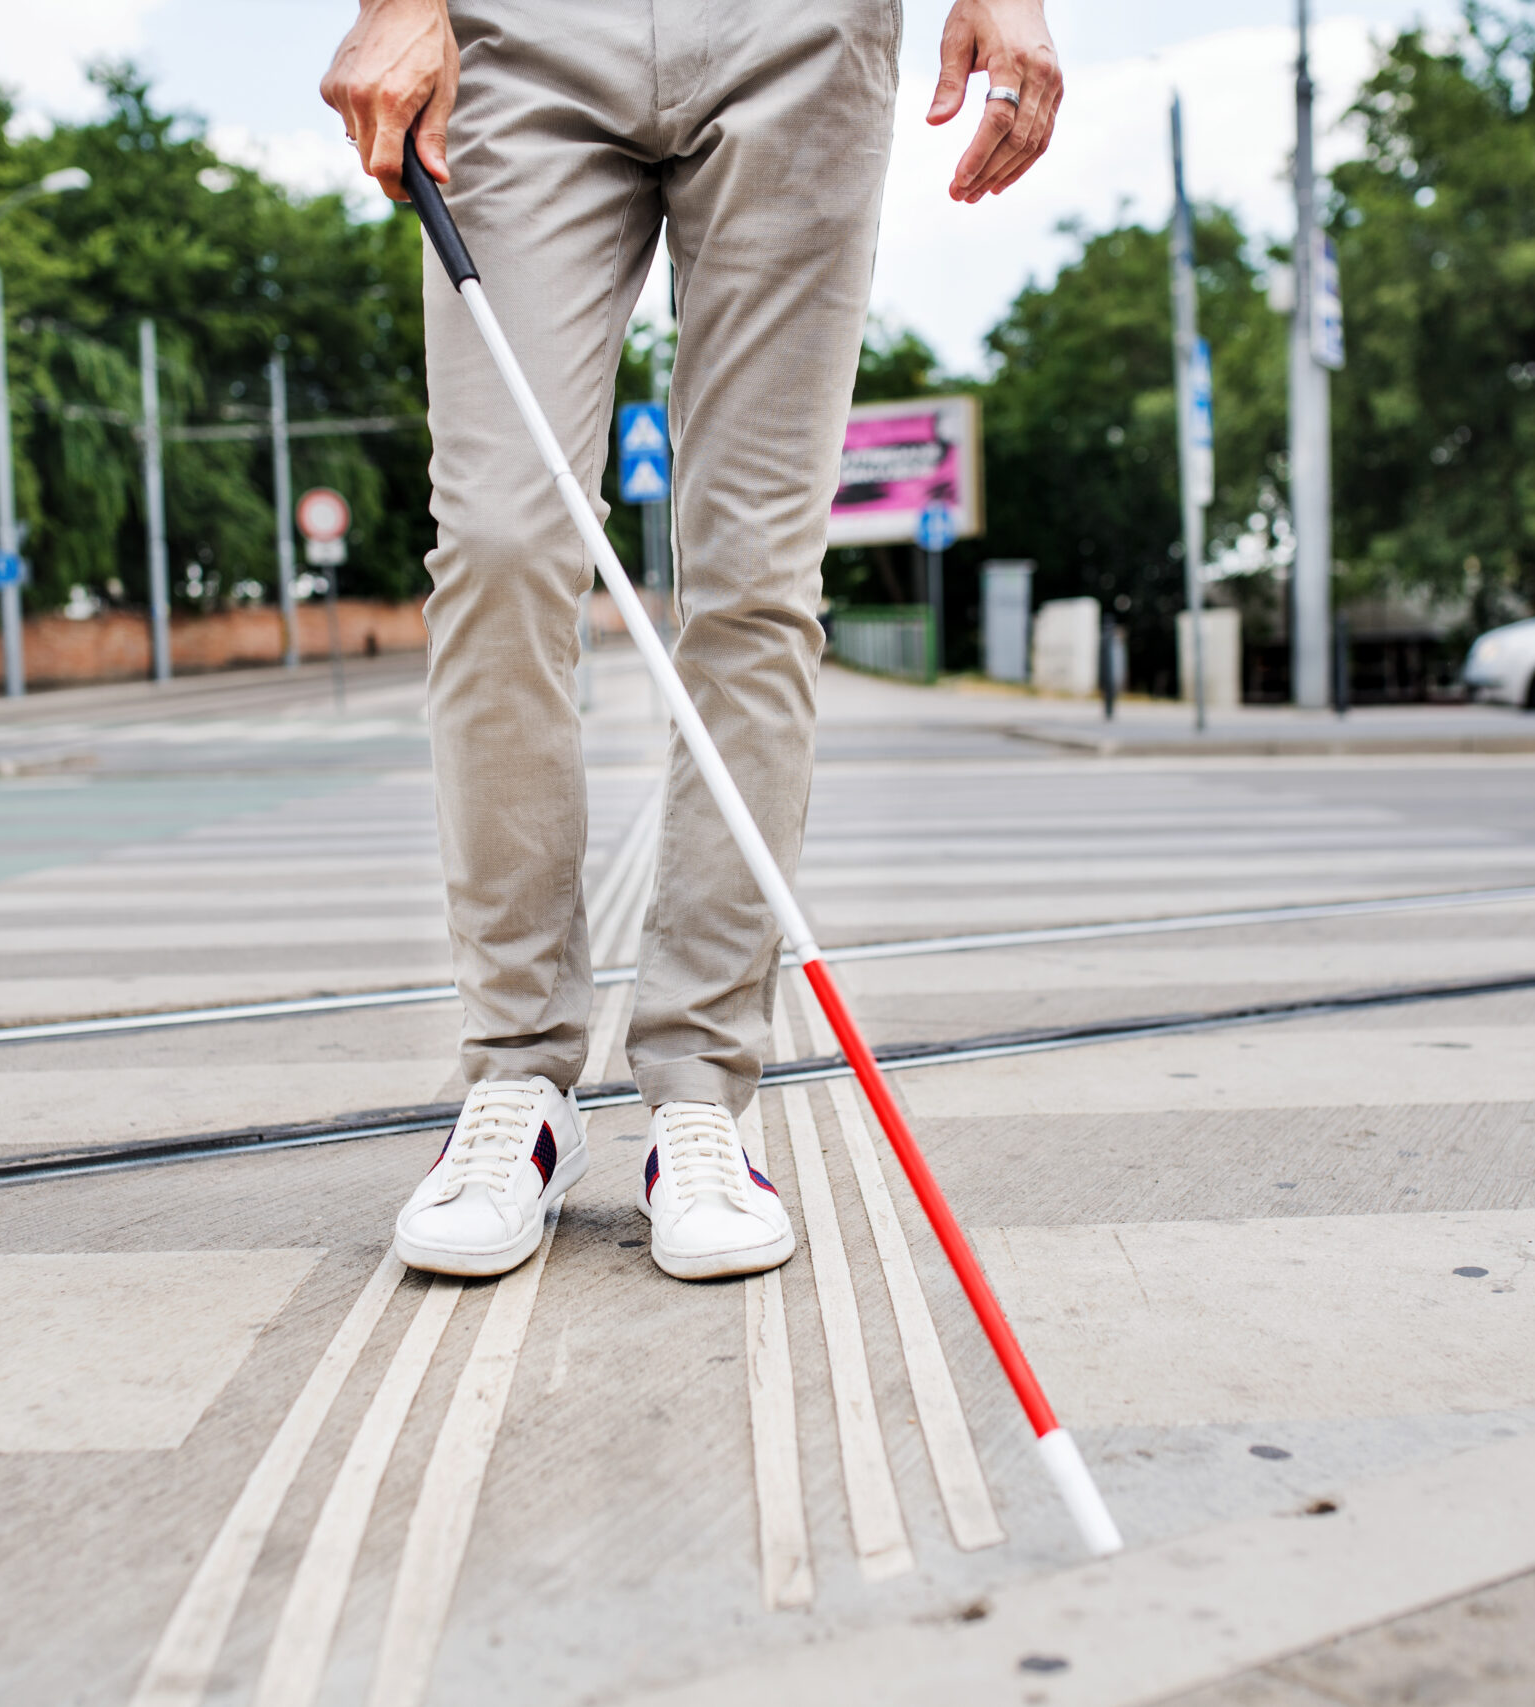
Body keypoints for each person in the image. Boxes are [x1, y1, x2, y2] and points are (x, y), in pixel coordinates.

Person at [324, 0, 1061, 1281]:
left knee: (757, 579)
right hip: (524, 31)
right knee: (501, 540)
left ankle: (700, 1096)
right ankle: (517, 1084)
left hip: (801, 35)